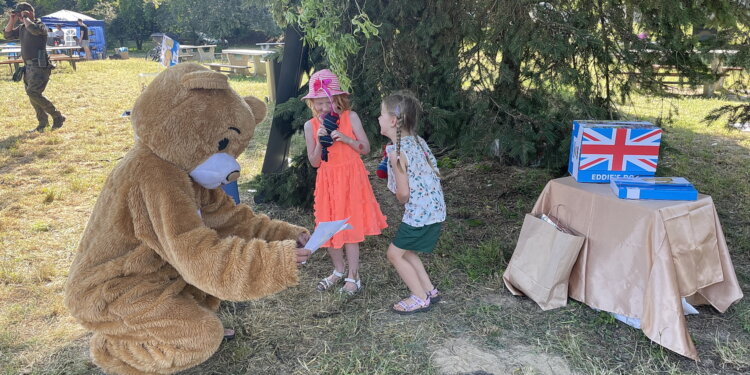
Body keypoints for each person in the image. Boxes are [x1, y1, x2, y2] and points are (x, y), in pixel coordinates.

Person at [303, 69, 388, 295]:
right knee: (328, 226)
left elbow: (366, 148)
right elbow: (313, 162)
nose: (322, 108)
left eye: (326, 103)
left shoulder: (350, 117)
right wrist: (321, 141)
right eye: (317, 103)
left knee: (350, 227)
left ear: (337, 99)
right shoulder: (309, 126)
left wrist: (346, 139)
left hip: (351, 179)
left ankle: (353, 275)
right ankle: (338, 271)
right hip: (328, 181)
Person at [378, 90, 446, 314]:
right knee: (408, 251)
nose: (378, 119)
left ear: (393, 121)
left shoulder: (396, 153)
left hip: (419, 213)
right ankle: (428, 290)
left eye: (381, 114)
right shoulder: (418, 141)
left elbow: (404, 194)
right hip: (434, 209)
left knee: (394, 254)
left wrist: (398, 196)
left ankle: (418, 297)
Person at [3, 2, 65, 132]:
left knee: (33, 92)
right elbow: (7, 35)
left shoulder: (39, 25)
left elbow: (33, 30)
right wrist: (12, 20)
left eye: (21, 14)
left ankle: (57, 116)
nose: (20, 17)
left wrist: (26, 17)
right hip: (28, 67)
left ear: (29, 13)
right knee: (32, 96)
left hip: (40, 65)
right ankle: (42, 124)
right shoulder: (22, 28)